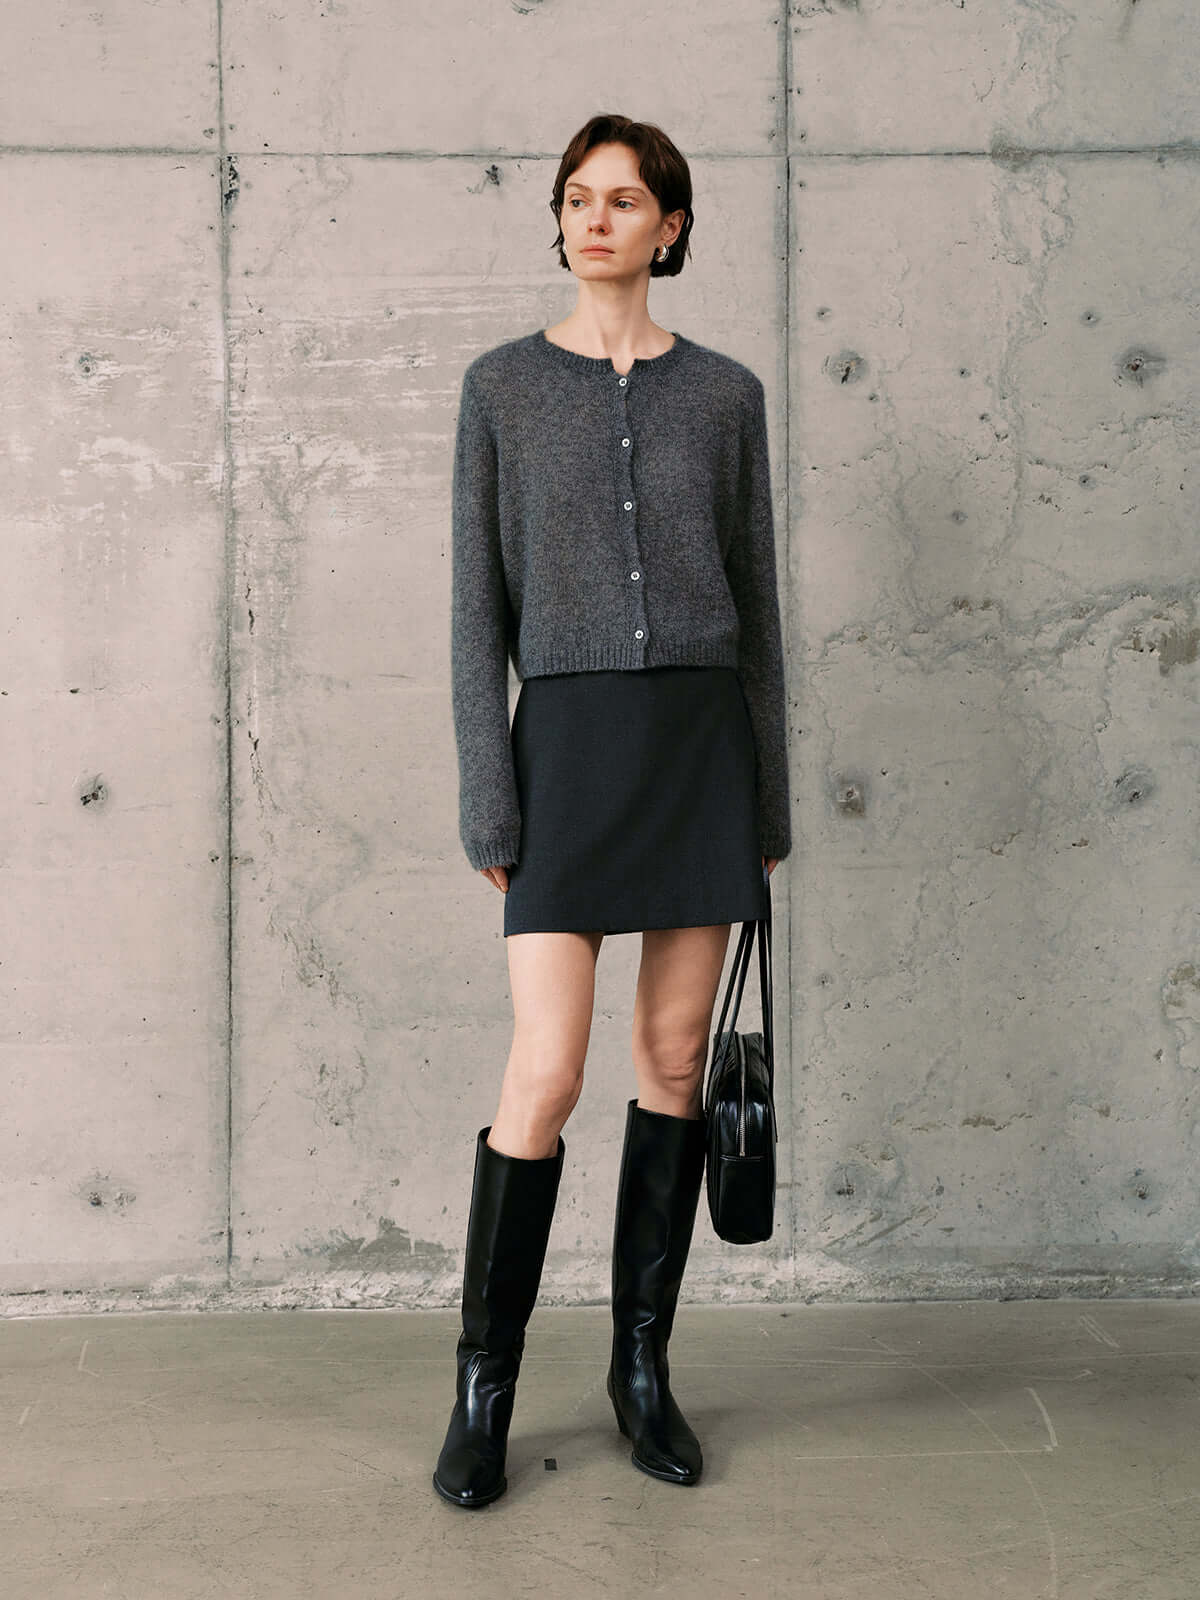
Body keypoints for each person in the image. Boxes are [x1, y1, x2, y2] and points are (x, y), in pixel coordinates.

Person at [434, 112, 791, 1509]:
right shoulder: (501, 390)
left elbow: (758, 610)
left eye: (623, 199)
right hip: (568, 748)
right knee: (548, 1069)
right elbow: (477, 613)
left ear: (671, 228)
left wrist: (765, 784)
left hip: (700, 743)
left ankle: (642, 1373)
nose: (595, 219)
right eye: (576, 199)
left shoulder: (727, 395)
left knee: (672, 1056)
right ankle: (485, 1389)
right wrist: (490, 793)